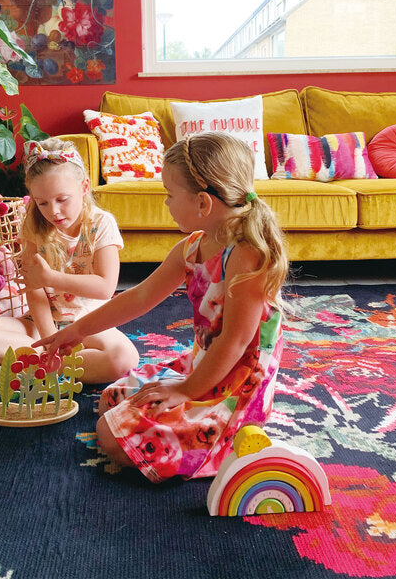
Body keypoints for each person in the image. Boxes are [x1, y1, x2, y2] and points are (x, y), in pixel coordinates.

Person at [34, 133, 288, 483]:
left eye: (170, 195)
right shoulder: (193, 246)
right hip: (206, 362)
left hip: (236, 379)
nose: (166, 203)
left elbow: (235, 341)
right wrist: (76, 331)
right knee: (113, 398)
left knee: (112, 437)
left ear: (203, 203)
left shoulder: (246, 254)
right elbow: (138, 298)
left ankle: (231, 443)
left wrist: (185, 390)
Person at [0, 137, 139, 387]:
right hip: (43, 324)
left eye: (62, 199)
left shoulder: (101, 223)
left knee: (123, 360)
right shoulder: (34, 225)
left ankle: (24, 368)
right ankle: (46, 364)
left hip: (88, 322)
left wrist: (51, 279)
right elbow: (36, 293)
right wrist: (51, 340)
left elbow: (105, 287)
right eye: (42, 202)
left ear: (84, 187)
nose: (53, 211)